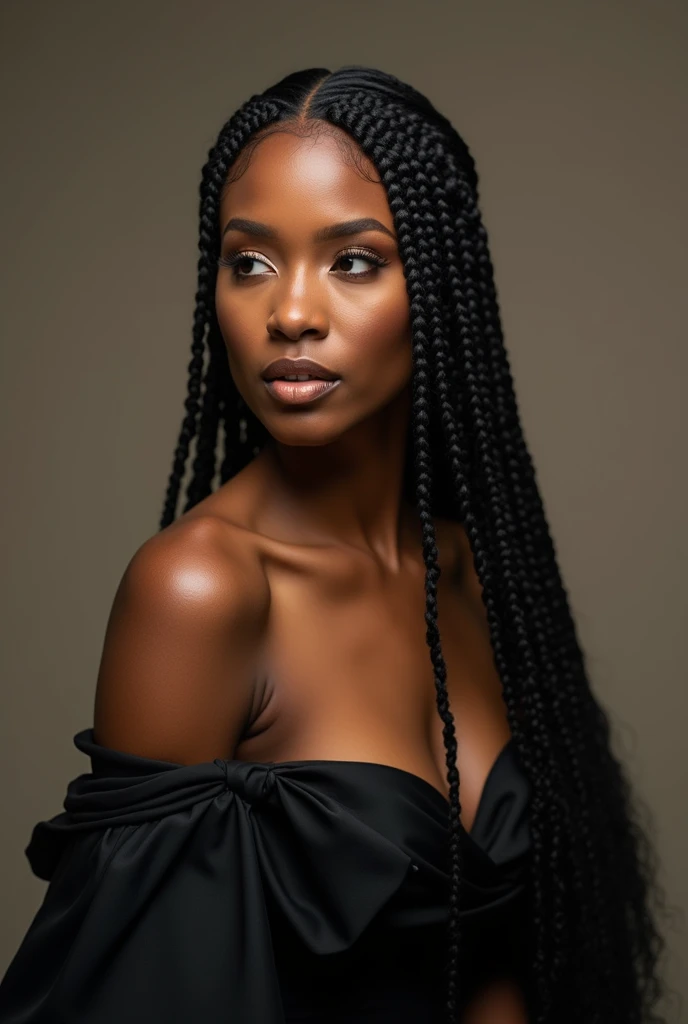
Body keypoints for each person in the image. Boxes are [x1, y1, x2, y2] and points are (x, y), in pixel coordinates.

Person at [0, 65, 670, 1024]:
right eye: (250, 262)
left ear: (437, 287)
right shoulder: (202, 590)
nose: (291, 313)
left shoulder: (475, 570)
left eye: (353, 260)